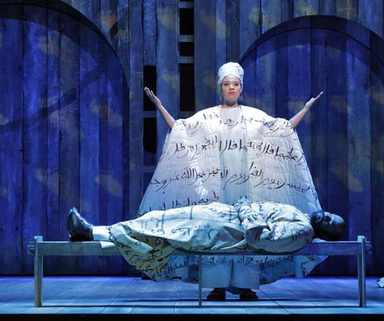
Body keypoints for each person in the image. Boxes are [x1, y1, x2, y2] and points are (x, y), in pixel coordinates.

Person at [138, 62, 326, 301]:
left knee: (247, 232)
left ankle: (246, 287)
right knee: (218, 233)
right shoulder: (208, 117)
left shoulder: (254, 117)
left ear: (241, 88)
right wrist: (160, 106)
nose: (231, 88)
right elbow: (181, 131)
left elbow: (283, 130)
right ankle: (217, 287)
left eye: (235, 84)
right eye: (227, 84)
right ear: (220, 87)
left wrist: (306, 108)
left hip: (246, 188)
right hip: (218, 190)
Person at [66, 198, 346, 299]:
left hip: (223, 231)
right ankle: (93, 231)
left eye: (332, 224)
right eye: (333, 215)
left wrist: (247, 208)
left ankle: (90, 232)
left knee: (156, 229)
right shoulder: (300, 215)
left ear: (326, 233)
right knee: (156, 222)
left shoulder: (303, 231)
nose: (328, 217)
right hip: (221, 218)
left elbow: (261, 238)